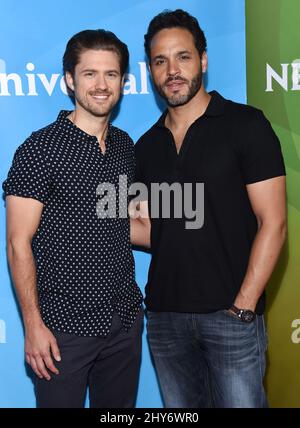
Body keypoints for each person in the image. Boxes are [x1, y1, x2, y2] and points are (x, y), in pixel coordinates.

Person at [130, 9, 287, 408]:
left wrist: (243, 307)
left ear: (203, 60)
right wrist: (83, 215)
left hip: (231, 316)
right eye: (160, 61)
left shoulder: (246, 125)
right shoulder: (147, 146)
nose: (172, 70)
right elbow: (156, 231)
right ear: (150, 70)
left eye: (182, 56)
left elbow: (274, 223)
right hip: (165, 320)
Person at [3, 29, 143, 408]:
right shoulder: (39, 150)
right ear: (70, 79)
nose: (101, 85)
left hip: (124, 320)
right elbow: (18, 244)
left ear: (122, 81)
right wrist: (33, 326)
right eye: (89, 74)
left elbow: (126, 222)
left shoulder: (124, 146)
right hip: (63, 330)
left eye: (111, 74)